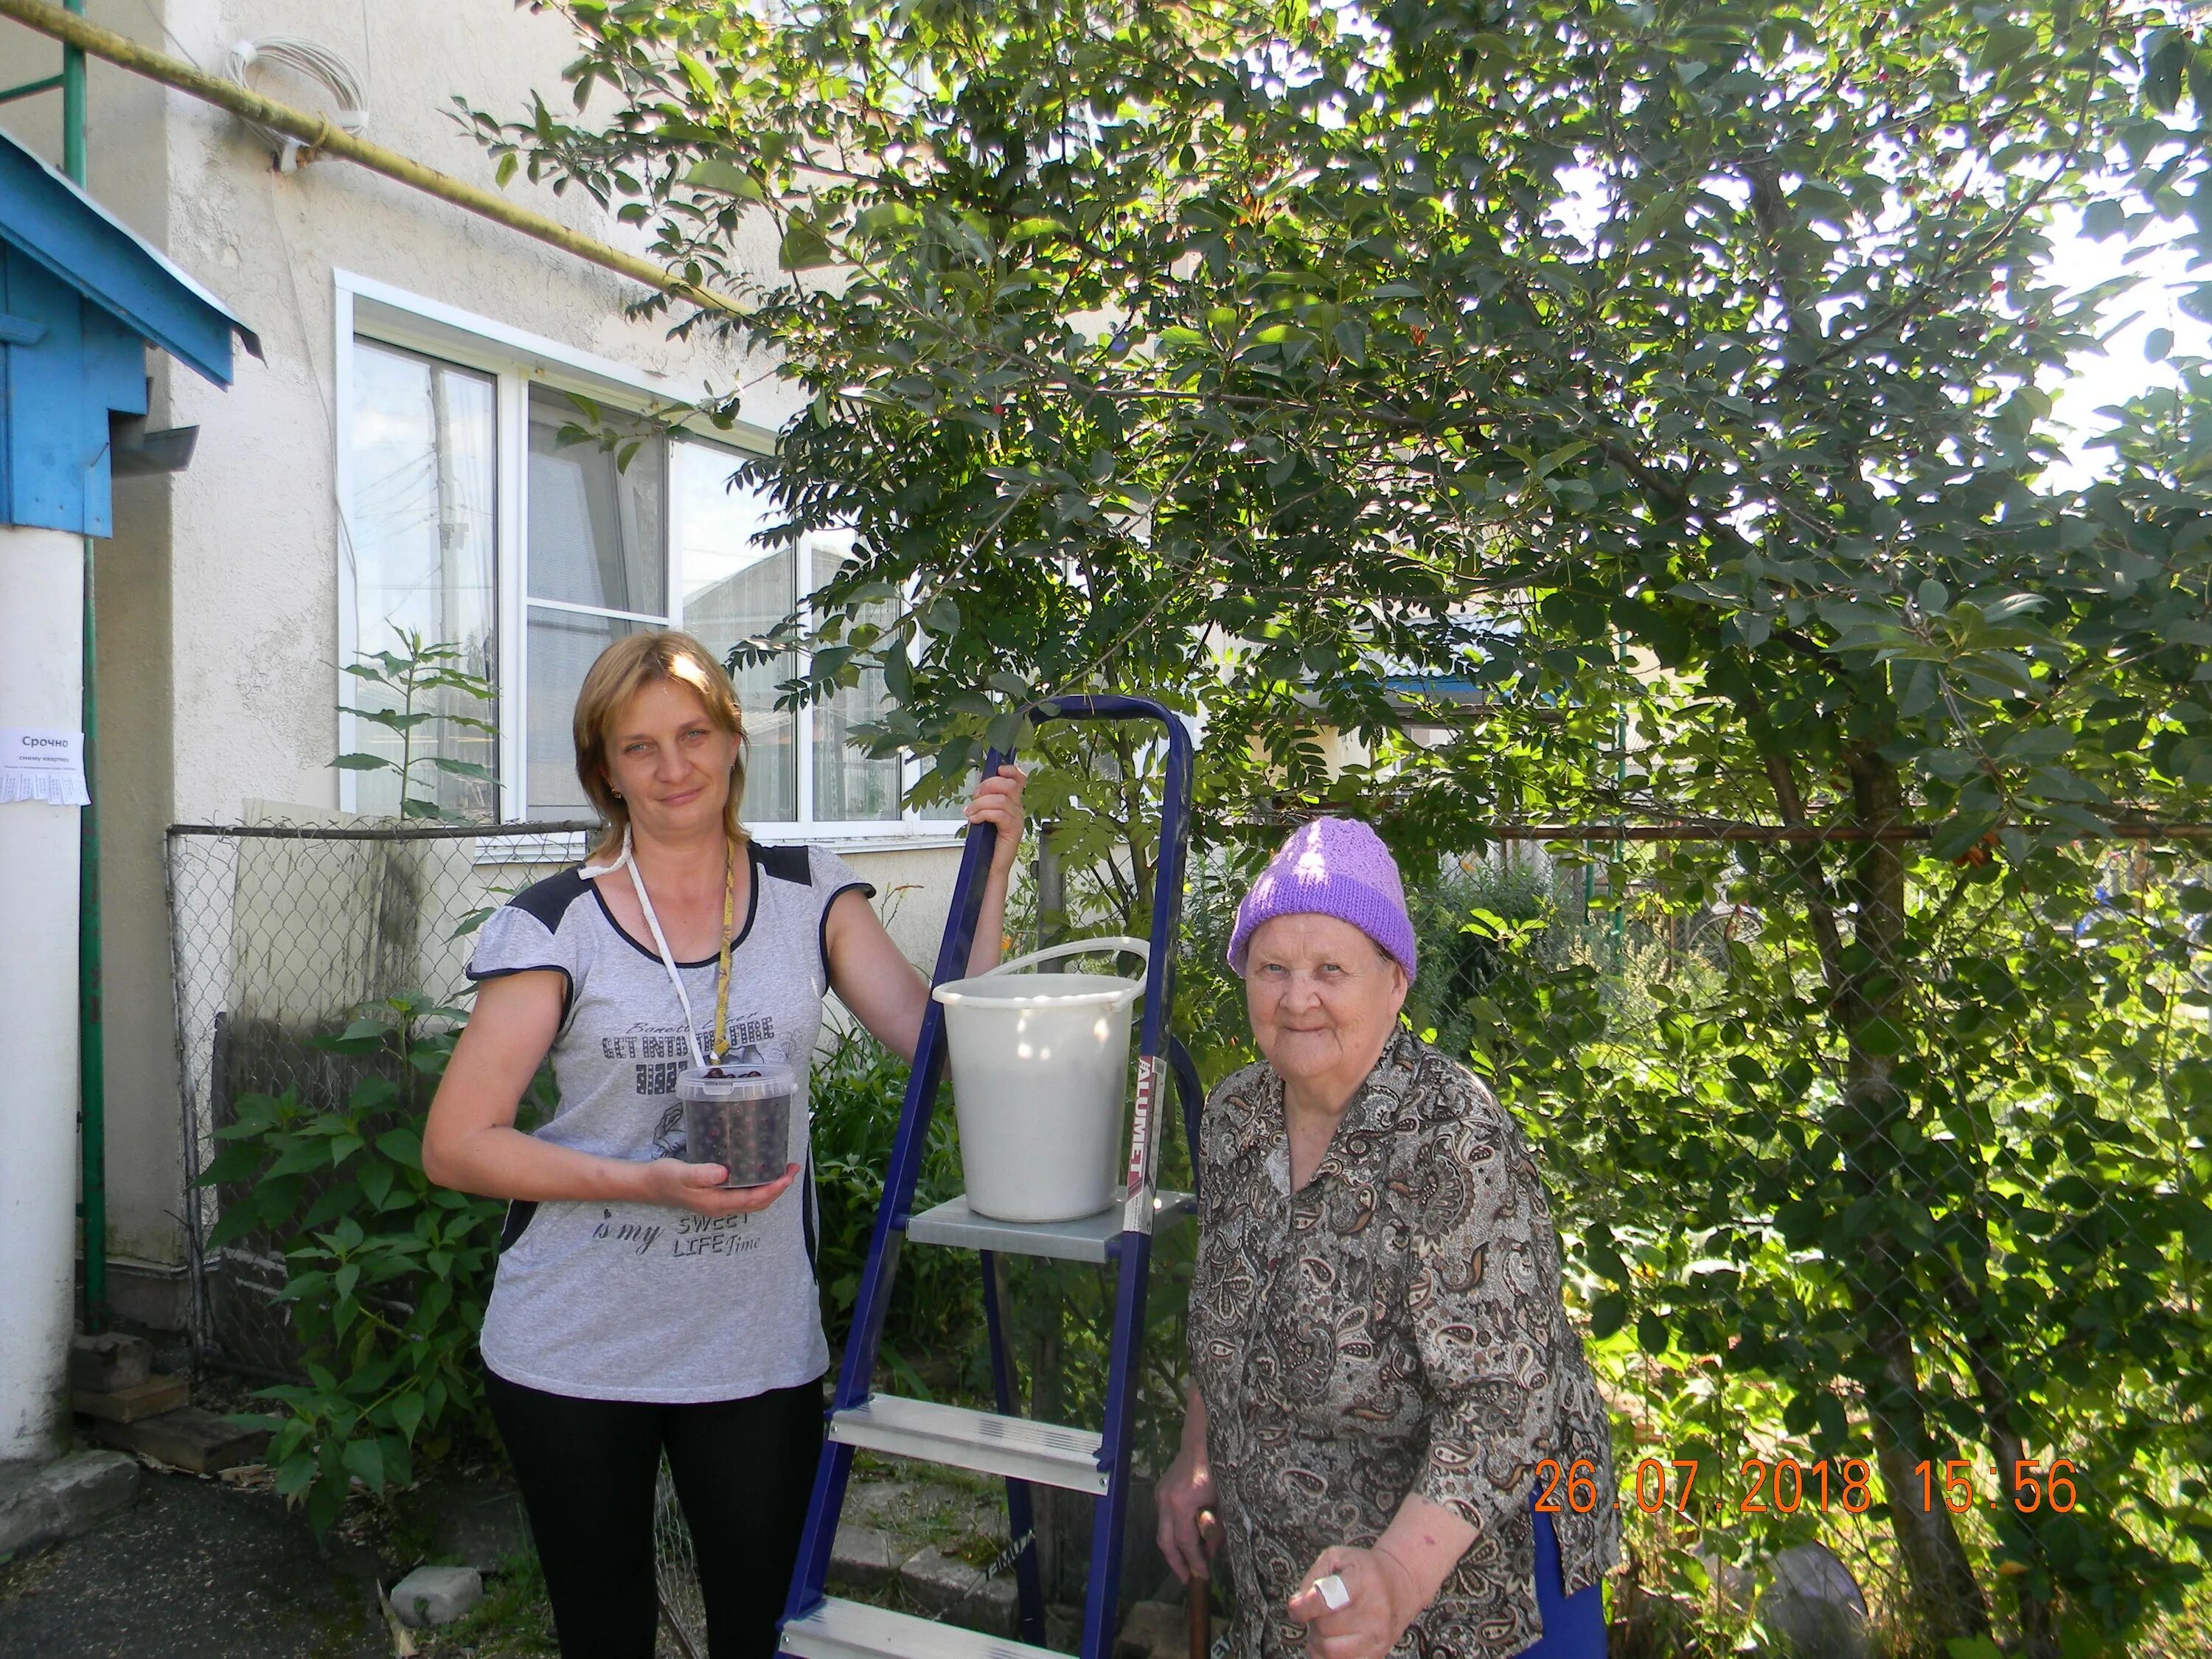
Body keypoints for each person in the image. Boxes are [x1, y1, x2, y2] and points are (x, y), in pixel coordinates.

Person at [423, 630, 1024, 1659]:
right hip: (574, 1344)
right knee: (605, 1636)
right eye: (639, 745)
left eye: (693, 734)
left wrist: (995, 871)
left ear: (734, 742)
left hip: (753, 1344)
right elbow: (457, 1144)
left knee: (762, 1630)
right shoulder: (552, 923)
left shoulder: (806, 890)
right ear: (604, 768)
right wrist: (643, 1180)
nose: (673, 768)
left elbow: (944, 1048)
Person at [1156, 818, 1620, 1658]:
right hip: (1309, 1588)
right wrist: (1198, 1457)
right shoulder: (1235, 1118)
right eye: (1272, 968)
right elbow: (1223, 1304)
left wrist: (1400, 1576)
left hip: (1478, 1585)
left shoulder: (1454, 1139)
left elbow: (1506, 1396)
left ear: (1396, 982)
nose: (1298, 998)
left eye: (1331, 969)